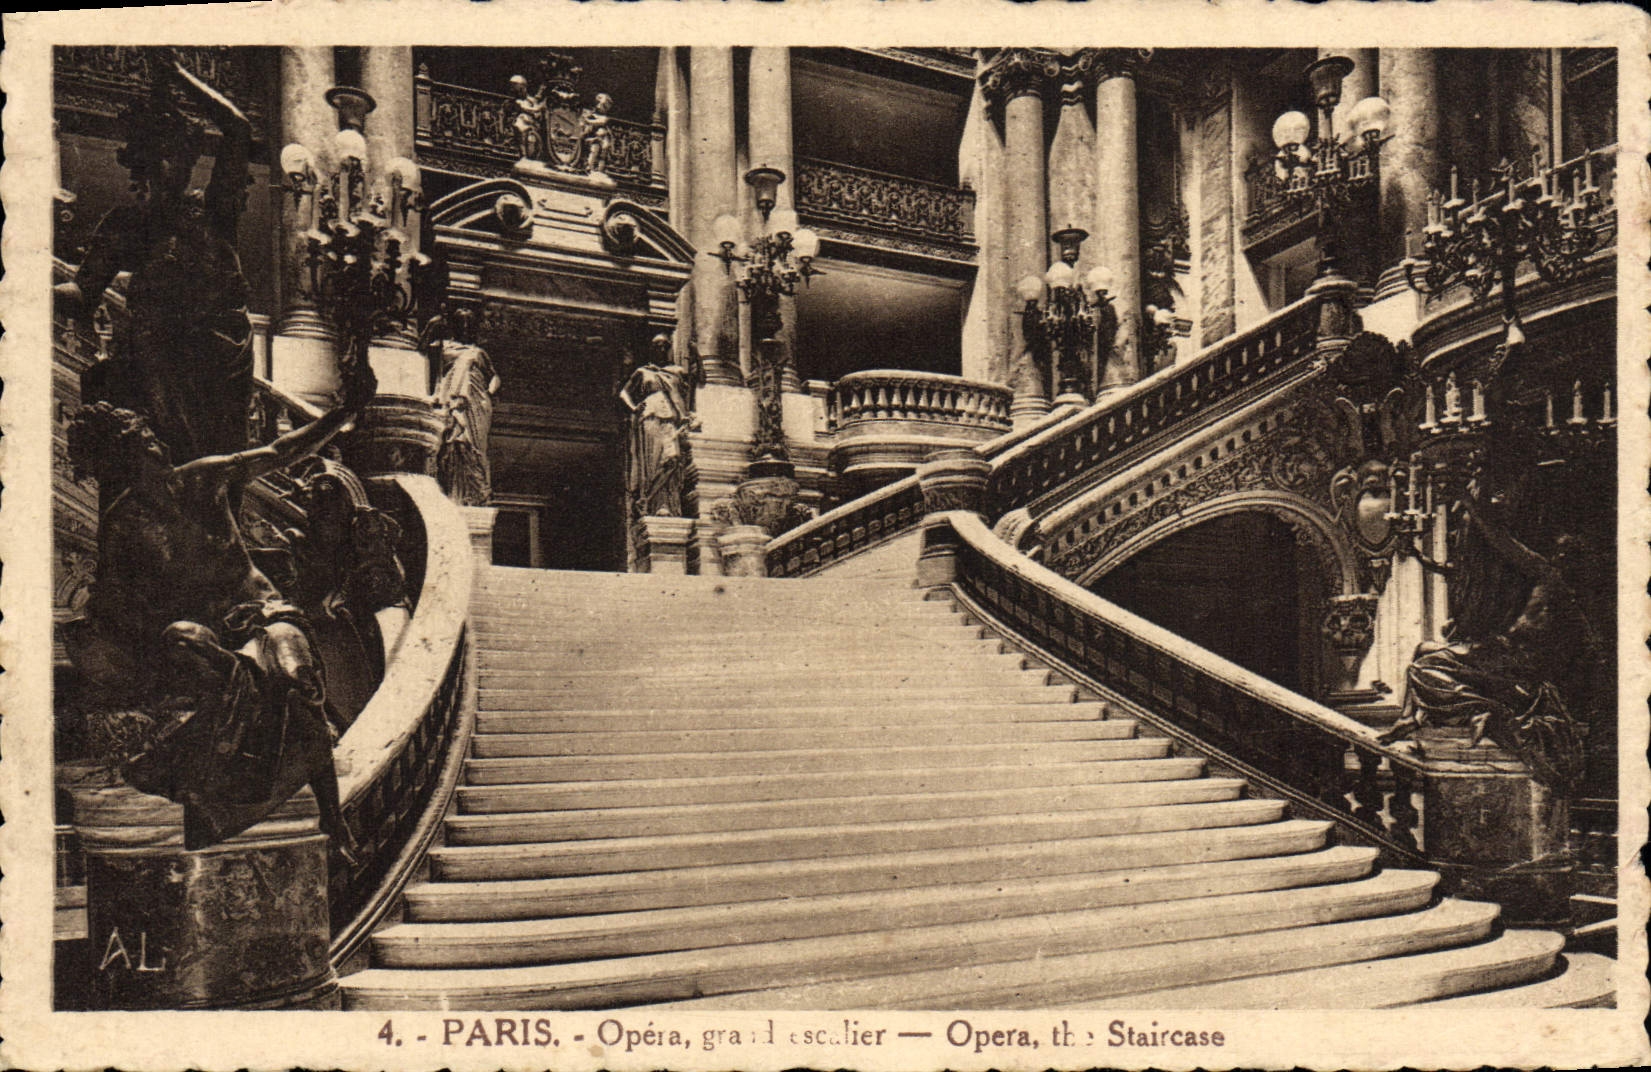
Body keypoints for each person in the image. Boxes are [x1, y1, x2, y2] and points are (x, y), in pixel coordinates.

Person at [65, 362, 377, 854]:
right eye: (146, 444)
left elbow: (280, 450)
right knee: (179, 640)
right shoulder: (122, 524)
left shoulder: (202, 479)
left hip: (264, 610)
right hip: (210, 634)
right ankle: (246, 688)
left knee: (296, 681)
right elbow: (123, 604)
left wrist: (344, 412)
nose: (159, 447)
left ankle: (332, 820)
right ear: (124, 458)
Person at [55, 60, 255, 469]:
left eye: (172, 157)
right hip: (153, 365)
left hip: (215, 366)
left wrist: (178, 74)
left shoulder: (213, 210)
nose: (161, 169)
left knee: (217, 474)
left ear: (185, 162)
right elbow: (81, 295)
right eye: (151, 158)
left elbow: (238, 128)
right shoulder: (125, 224)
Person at [431, 308, 501, 507]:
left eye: (468, 324)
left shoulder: (478, 352)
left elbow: (493, 375)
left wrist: (491, 387)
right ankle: (457, 493)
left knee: (475, 445)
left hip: (476, 401)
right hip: (453, 402)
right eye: (461, 323)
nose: (465, 327)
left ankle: (476, 493)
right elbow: (431, 366)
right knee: (455, 443)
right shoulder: (444, 348)